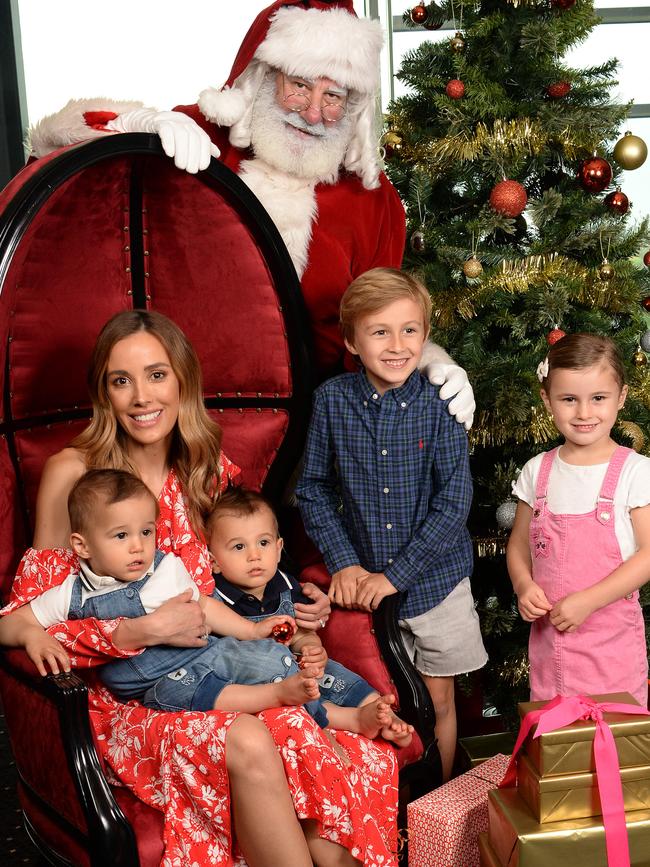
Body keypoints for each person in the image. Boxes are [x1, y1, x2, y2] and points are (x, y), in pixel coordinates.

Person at [0, 309, 399, 867]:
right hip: (128, 702)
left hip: (219, 669)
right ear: (104, 393)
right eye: (122, 380)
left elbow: (245, 566)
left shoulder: (206, 470)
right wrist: (136, 632)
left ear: (182, 381)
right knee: (254, 735)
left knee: (328, 755)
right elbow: (29, 612)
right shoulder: (75, 475)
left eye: (157, 375)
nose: (142, 396)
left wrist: (293, 608)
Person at [27, 0, 476, 425]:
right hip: (178, 416)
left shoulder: (371, 200)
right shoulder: (201, 141)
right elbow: (51, 144)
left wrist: (431, 365)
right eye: (299, 86)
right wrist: (139, 124)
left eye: (333, 96)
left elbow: (384, 322)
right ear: (263, 77)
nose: (314, 113)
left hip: (311, 430)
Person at [296, 268, 487, 781]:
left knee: (438, 698)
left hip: (436, 582)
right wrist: (346, 564)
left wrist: (394, 577)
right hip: (363, 583)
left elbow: (454, 502)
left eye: (410, 330)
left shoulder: (441, 404)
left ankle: (435, 805)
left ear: (426, 336)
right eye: (380, 332)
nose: (397, 345)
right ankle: (394, 806)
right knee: (383, 698)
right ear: (352, 341)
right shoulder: (332, 401)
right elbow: (312, 489)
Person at [15, 468, 325, 717]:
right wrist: (32, 634)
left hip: (203, 653)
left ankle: (310, 704)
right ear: (82, 546)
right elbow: (11, 623)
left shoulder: (165, 569)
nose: (138, 546)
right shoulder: (73, 592)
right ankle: (278, 695)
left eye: (146, 532)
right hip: (155, 682)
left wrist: (253, 630)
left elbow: (203, 604)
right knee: (179, 693)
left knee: (268, 658)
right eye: (121, 535)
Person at [507, 333, 650, 707]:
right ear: (547, 400)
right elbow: (519, 546)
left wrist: (588, 601)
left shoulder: (636, 473)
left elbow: (648, 556)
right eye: (569, 399)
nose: (584, 413)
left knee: (615, 747)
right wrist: (524, 586)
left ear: (620, 398)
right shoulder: (537, 471)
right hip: (549, 650)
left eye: (598, 399)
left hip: (611, 651)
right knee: (557, 751)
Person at [209, 486, 414, 744]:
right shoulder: (217, 600)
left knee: (339, 675)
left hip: (298, 665)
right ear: (213, 560)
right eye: (239, 546)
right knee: (302, 699)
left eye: (263, 543)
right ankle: (356, 719)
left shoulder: (287, 585)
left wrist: (312, 648)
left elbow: (302, 633)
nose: (255, 555)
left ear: (279, 546)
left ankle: (384, 716)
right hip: (257, 681)